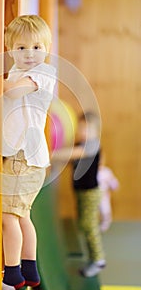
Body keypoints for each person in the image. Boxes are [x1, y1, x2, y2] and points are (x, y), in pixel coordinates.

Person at [2, 15, 56, 290]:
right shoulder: (14, 71)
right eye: (21, 47)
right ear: (10, 48)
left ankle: (11, 274)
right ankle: (29, 267)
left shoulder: (43, 73)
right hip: (18, 155)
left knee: (7, 215)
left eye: (36, 47)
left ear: (47, 48)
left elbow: (12, 93)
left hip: (24, 156)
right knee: (21, 214)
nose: (29, 54)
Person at [54, 111, 106, 277]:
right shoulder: (80, 144)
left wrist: (50, 155)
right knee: (84, 225)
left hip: (91, 192)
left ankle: (98, 260)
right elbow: (71, 159)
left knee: (89, 225)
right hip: (81, 192)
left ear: (95, 132)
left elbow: (73, 154)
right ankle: (94, 258)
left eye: (87, 130)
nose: (83, 133)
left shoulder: (92, 145)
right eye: (81, 129)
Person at [97, 157, 119, 232]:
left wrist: (114, 186)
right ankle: (96, 223)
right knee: (95, 210)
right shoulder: (93, 171)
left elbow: (112, 181)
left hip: (104, 195)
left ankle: (105, 223)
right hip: (94, 195)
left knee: (105, 209)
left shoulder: (107, 171)